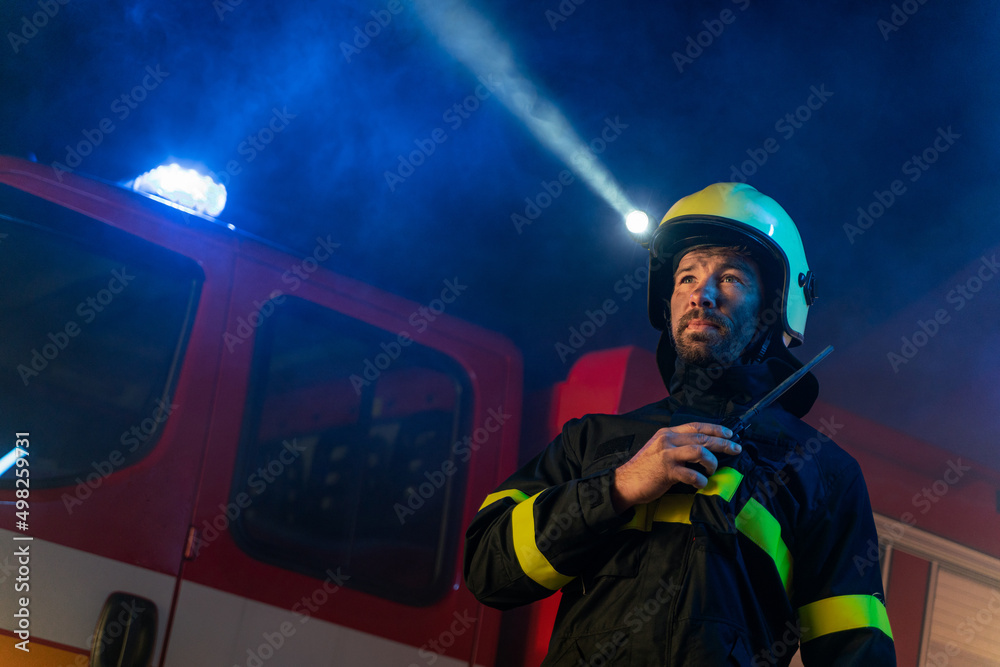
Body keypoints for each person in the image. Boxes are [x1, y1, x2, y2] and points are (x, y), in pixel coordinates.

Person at [464, 183, 896, 666]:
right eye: (687, 277)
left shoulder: (822, 473)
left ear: (773, 309)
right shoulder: (589, 441)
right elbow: (487, 572)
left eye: (730, 278)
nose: (701, 295)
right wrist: (617, 488)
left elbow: (854, 652)